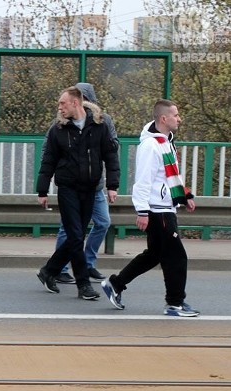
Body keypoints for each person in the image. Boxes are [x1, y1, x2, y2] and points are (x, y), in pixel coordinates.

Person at [101, 99, 199, 317]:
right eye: (176, 115)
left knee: (154, 254)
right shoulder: (150, 146)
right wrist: (142, 211)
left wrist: (185, 195)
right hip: (158, 210)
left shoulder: (166, 142)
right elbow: (143, 181)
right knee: (176, 257)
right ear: (164, 118)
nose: (179, 119)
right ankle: (174, 304)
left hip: (165, 207)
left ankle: (115, 284)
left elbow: (170, 175)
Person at [36, 86, 119, 300]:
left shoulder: (99, 126)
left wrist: (112, 185)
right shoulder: (58, 130)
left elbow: (110, 156)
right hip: (67, 189)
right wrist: (42, 190)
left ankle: (48, 271)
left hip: (90, 189)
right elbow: (48, 161)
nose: (59, 108)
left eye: (62, 103)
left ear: (75, 103)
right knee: (75, 234)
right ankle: (83, 285)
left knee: (77, 235)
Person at [55, 82, 118, 284]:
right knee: (69, 229)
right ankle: (61, 268)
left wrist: (111, 185)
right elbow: (51, 151)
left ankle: (88, 264)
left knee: (103, 222)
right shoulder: (63, 121)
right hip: (72, 186)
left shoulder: (103, 120)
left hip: (94, 185)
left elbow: (112, 148)